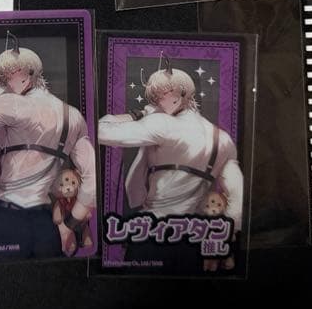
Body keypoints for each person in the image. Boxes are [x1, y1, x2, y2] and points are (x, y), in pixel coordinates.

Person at [0, 36, 95, 259]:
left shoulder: (12, 103)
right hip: (46, 225)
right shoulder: (73, 115)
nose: (3, 84)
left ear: (25, 76)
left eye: (6, 77)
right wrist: (70, 224)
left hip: (6, 222)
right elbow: (92, 178)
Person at [98, 58, 243, 268]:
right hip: (193, 239)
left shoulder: (161, 123)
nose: (155, 102)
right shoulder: (223, 139)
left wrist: (137, 114)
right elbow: (237, 197)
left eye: (159, 95)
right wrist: (224, 238)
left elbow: (100, 130)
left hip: (152, 234)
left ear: (180, 94)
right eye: (153, 97)